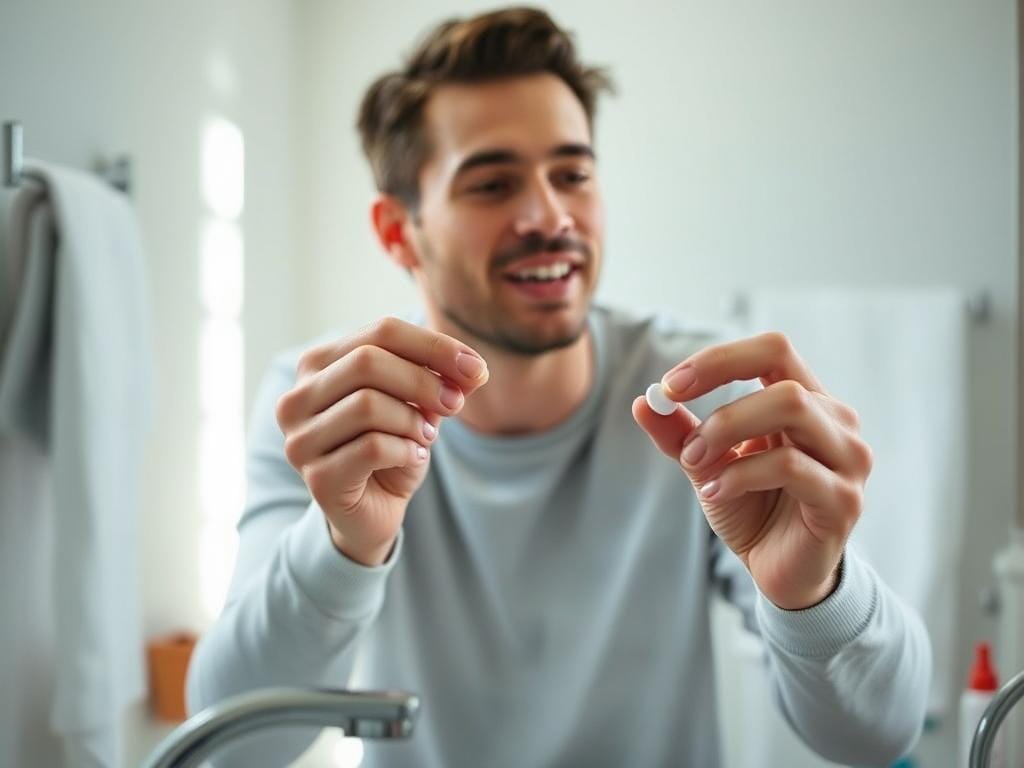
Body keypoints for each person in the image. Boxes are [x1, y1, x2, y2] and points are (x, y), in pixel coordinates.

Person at [187, 7, 931, 767]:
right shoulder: (331, 411)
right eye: (492, 184)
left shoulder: (699, 401)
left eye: (572, 174)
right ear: (397, 232)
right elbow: (230, 744)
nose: (549, 216)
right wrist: (342, 546)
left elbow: (883, 736)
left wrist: (815, 593)